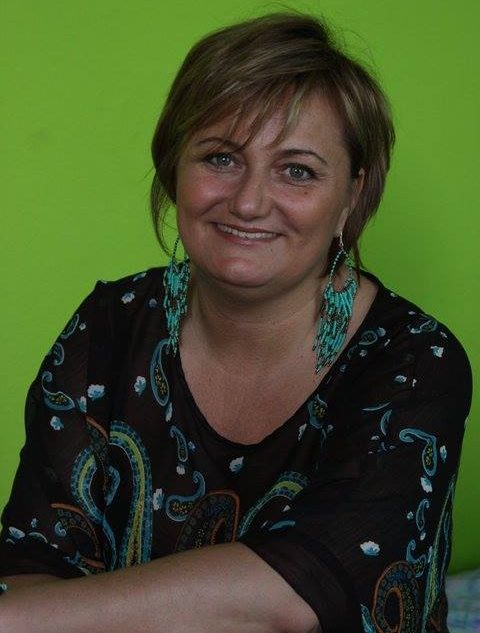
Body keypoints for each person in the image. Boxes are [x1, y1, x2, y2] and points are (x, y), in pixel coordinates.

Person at [0, 11, 472, 633]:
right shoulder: (110, 326)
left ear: (352, 196)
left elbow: (302, 594)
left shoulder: (415, 362)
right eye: (221, 158)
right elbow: (32, 562)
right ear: (174, 169)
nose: (248, 202)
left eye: (297, 170)